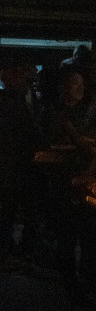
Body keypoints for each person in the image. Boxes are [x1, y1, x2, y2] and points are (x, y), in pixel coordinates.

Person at [40, 67, 96, 298]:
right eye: (69, 84)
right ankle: (71, 286)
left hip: (89, 183)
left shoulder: (93, 112)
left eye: (78, 84)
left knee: (92, 237)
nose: (74, 89)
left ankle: (93, 282)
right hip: (62, 183)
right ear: (60, 87)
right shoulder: (52, 112)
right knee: (66, 237)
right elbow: (50, 142)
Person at [0, 61, 43, 265]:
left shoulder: (33, 96)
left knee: (29, 210)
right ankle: (7, 251)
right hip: (12, 164)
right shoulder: (6, 100)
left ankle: (26, 249)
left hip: (29, 165)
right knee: (8, 209)